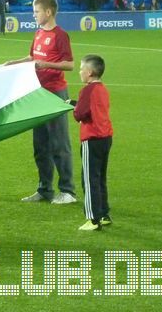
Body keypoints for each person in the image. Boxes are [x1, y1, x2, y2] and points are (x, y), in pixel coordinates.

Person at [6, 0, 76, 204]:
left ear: (48, 12)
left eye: (36, 11)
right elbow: (32, 58)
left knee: (59, 144)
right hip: (37, 93)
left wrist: (46, 65)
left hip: (54, 94)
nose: (33, 14)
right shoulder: (38, 33)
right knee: (40, 146)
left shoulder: (60, 35)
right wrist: (15, 63)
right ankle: (44, 189)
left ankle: (68, 191)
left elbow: (70, 64)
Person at [72, 55, 113, 231]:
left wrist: (75, 108)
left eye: (81, 69)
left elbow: (79, 114)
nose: (80, 72)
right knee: (100, 178)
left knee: (89, 180)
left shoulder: (86, 90)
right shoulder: (102, 89)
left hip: (92, 139)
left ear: (89, 72)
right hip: (105, 137)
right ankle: (103, 214)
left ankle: (93, 219)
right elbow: (92, 109)